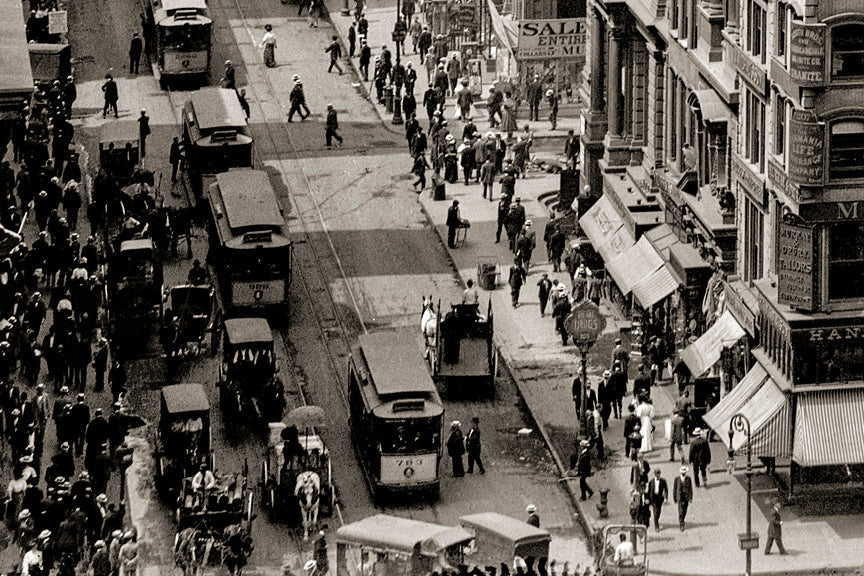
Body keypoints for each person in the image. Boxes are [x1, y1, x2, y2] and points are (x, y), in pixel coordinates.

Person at [673, 466, 693, 531]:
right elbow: (675, 488)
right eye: (682, 472)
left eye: (684, 472)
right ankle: (681, 524)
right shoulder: (677, 479)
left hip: (686, 496)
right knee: (680, 510)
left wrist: (690, 497)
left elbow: (690, 488)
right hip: (680, 496)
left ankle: (682, 519)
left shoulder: (688, 479)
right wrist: (674, 498)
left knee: (685, 509)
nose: (683, 473)